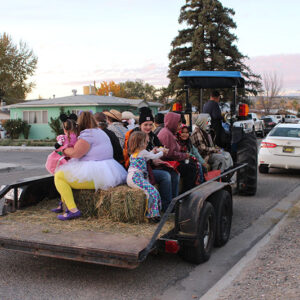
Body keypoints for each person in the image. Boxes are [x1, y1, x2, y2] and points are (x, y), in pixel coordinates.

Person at [53, 111, 127, 221]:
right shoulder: (100, 132)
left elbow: (76, 153)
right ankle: (63, 204)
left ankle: (72, 210)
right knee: (65, 173)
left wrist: (63, 149)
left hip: (96, 173)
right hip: (109, 170)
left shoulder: (87, 134)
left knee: (59, 176)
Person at [123, 107, 180, 212]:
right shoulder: (135, 135)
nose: (148, 127)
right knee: (165, 176)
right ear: (140, 125)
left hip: (152, 165)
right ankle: (166, 207)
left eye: (150, 124)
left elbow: (161, 146)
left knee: (175, 173)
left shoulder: (152, 135)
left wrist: (160, 150)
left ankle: (173, 203)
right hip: (140, 170)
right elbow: (132, 153)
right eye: (145, 124)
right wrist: (153, 156)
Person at [127, 131, 168, 223]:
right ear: (140, 143)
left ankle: (154, 213)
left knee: (151, 191)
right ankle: (152, 215)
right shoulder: (143, 152)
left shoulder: (135, 153)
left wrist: (152, 151)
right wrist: (162, 152)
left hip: (132, 177)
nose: (147, 144)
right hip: (136, 178)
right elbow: (153, 157)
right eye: (146, 142)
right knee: (152, 191)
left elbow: (147, 156)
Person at [158, 112, 198, 192]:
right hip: (167, 163)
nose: (180, 127)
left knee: (192, 164)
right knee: (190, 168)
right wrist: (184, 155)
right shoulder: (166, 134)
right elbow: (170, 154)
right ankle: (186, 193)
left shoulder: (169, 132)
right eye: (178, 125)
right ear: (172, 123)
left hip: (171, 161)